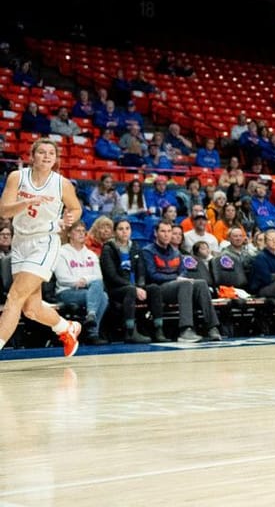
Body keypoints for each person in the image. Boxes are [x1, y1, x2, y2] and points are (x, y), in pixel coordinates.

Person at [0, 138, 84, 357]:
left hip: (45, 241)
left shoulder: (61, 183)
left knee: (14, 297)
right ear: (32, 156)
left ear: (55, 159)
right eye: (42, 152)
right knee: (31, 309)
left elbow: (75, 208)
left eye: (51, 153)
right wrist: (26, 203)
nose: (47, 156)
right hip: (20, 242)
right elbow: (4, 211)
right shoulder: (17, 177)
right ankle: (67, 328)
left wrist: (69, 218)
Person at [101, 218, 160, 343]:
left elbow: (141, 271)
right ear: (115, 232)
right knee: (130, 291)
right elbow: (111, 276)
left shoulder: (135, 247)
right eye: (121, 229)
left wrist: (141, 286)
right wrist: (134, 288)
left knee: (154, 288)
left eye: (127, 229)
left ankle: (158, 329)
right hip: (116, 288)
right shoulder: (108, 249)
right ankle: (130, 331)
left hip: (134, 287)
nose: (124, 232)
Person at [53, 221, 111, 345]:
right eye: (77, 231)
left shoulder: (91, 255)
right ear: (69, 234)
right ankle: (92, 332)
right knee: (100, 295)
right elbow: (62, 278)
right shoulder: (61, 252)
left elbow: (99, 277)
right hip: (66, 291)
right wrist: (78, 282)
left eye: (83, 231)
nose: (81, 234)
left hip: (88, 290)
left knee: (103, 295)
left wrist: (84, 280)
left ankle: (91, 318)